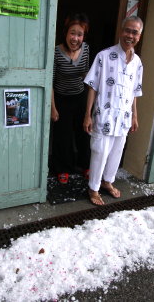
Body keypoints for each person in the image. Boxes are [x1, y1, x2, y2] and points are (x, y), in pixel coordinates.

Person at [83, 16, 143, 205]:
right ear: (121, 31)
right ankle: (93, 188)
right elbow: (92, 86)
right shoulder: (105, 56)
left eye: (134, 32)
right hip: (104, 115)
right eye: (127, 30)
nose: (130, 35)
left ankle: (107, 181)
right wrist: (87, 114)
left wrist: (135, 115)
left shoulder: (137, 62)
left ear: (139, 36)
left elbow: (135, 91)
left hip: (124, 117)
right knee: (100, 151)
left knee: (117, 152)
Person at [51, 13, 91, 184]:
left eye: (79, 34)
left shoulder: (86, 49)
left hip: (80, 96)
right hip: (61, 98)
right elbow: (50, 82)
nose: (75, 38)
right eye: (72, 33)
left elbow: (87, 75)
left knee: (84, 132)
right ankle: (63, 168)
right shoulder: (56, 52)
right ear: (66, 33)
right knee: (63, 135)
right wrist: (53, 108)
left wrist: (90, 107)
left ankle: (86, 165)